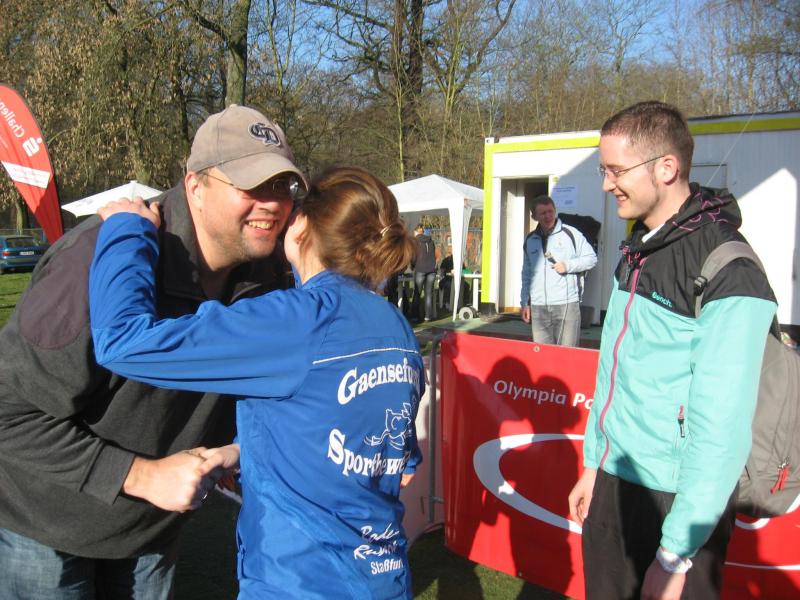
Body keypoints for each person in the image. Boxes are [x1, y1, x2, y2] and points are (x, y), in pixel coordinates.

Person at [0, 104, 305, 599]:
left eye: (282, 186)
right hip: (45, 525)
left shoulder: (269, 275)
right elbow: (8, 414)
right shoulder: (96, 262)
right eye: (251, 185)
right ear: (195, 185)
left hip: (150, 532)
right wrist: (141, 475)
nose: (272, 203)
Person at [89, 167, 423, 599]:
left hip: (300, 585)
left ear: (301, 225)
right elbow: (383, 454)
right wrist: (243, 452)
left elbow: (123, 343)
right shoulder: (395, 327)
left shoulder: (296, 319)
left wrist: (126, 232)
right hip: (384, 579)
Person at [568, 101, 777, 599]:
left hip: (675, 502)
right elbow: (613, 372)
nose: (606, 184)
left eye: (616, 170)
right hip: (614, 484)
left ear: (666, 167)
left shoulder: (729, 268)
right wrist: (594, 464)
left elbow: (721, 429)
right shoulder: (637, 247)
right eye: (603, 170)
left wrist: (675, 554)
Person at [520, 195, 597, 346]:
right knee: (542, 355)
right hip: (538, 306)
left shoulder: (571, 234)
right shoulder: (530, 239)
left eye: (550, 211)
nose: (548, 216)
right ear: (535, 217)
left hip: (566, 304)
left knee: (567, 355)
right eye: (543, 213)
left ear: (555, 211)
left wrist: (568, 265)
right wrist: (524, 302)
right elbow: (526, 274)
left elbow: (591, 259)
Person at [411, 223, 437, 321]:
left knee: (417, 293)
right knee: (429, 293)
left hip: (420, 269)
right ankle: (428, 316)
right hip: (432, 269)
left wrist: (412, 265)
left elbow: (413, 256)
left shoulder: (415, 241)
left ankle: (415, 316)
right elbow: (433, 254)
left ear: (416, 232)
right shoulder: (431, 241)